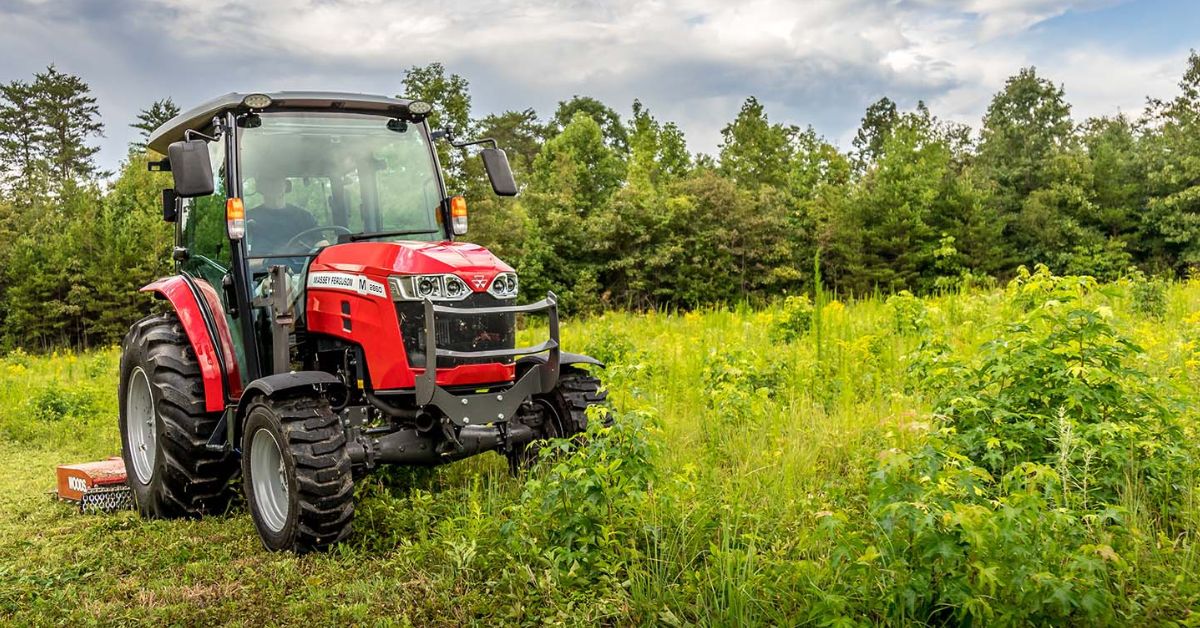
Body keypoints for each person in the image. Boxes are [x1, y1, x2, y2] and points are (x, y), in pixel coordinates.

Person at [246, 176, 317, 256]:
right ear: (260, 187)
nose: (273, 185)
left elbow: (321, 243)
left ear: (287, 185)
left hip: (302, 267)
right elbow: (240, 255)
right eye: (269, 181)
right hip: (259, 268)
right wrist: (264, 262)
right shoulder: (248, 218)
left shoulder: (304, 217)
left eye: (278, 180)